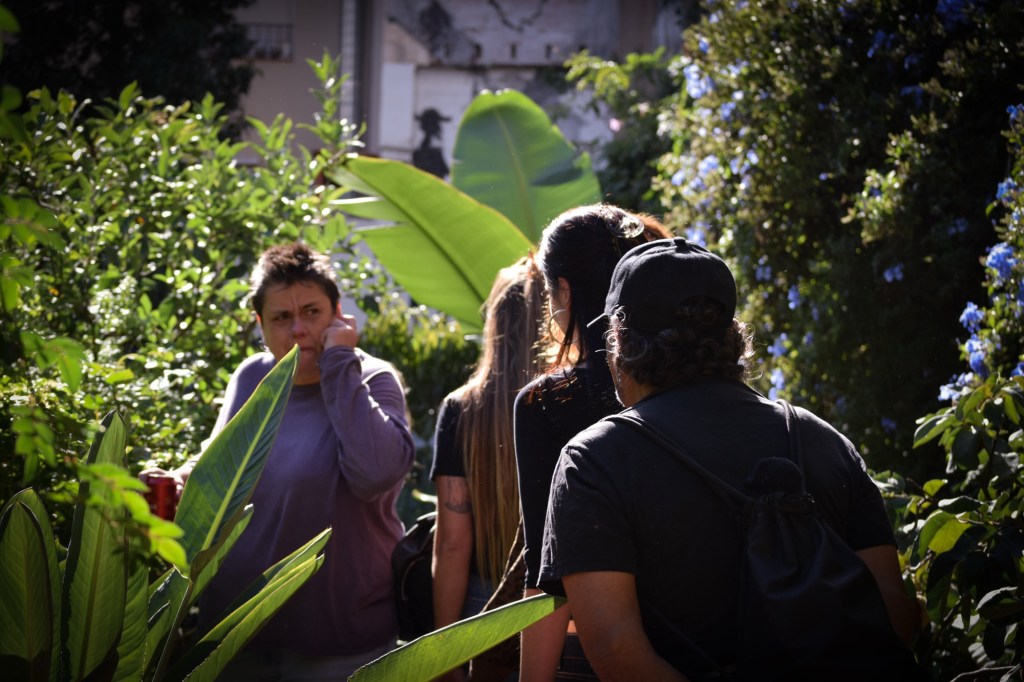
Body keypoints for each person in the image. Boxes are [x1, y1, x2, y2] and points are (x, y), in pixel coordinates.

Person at [538, 237, 923, 679]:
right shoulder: (820, 438)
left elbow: (616, 650)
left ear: (620, 340)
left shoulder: (593, 461)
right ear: (731, 336)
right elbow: (896, 615)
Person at [152, 242, 416, 680]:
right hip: (236, 635)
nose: (298, 329)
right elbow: (220, 465)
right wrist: (179, 480)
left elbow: (374, 475)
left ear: (337, 313)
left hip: (336, 644)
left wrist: (338, 362)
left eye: (312, 312)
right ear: (260, 323)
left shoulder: (370, 378)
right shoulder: (253, 376)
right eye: (281, 317)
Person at [513, 205, 671, 681]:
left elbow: (547, 575)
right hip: (702, 638)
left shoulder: (546, 402)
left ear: (563, 290)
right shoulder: (689, 383)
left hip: (594, 652)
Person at [430, 256, 547, 681]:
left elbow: (452, 545)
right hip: (552, 600)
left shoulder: (461, 409)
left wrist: (443, 658)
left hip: (481, 604)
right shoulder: (566, 401)